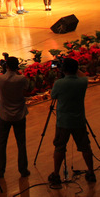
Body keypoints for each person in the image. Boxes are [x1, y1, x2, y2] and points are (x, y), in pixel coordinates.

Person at [48, 57, 94, 187]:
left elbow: (53, 96)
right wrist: (74, 68)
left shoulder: (59, 83)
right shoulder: (82, 82)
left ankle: (56, 175)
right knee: (85, 147)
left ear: (64, 69)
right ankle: (91, 172)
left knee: (59, 147)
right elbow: (83, 76)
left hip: (63, 122)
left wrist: (62, 74)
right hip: (79, 120)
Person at [0, 56, 29, 178]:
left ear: (6, 66)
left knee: (1, 144)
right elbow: (27, 88)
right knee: (21, 143)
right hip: (19, 114)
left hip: (4, 115)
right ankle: (23, 170)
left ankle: (0, 170)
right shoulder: (21, 79)